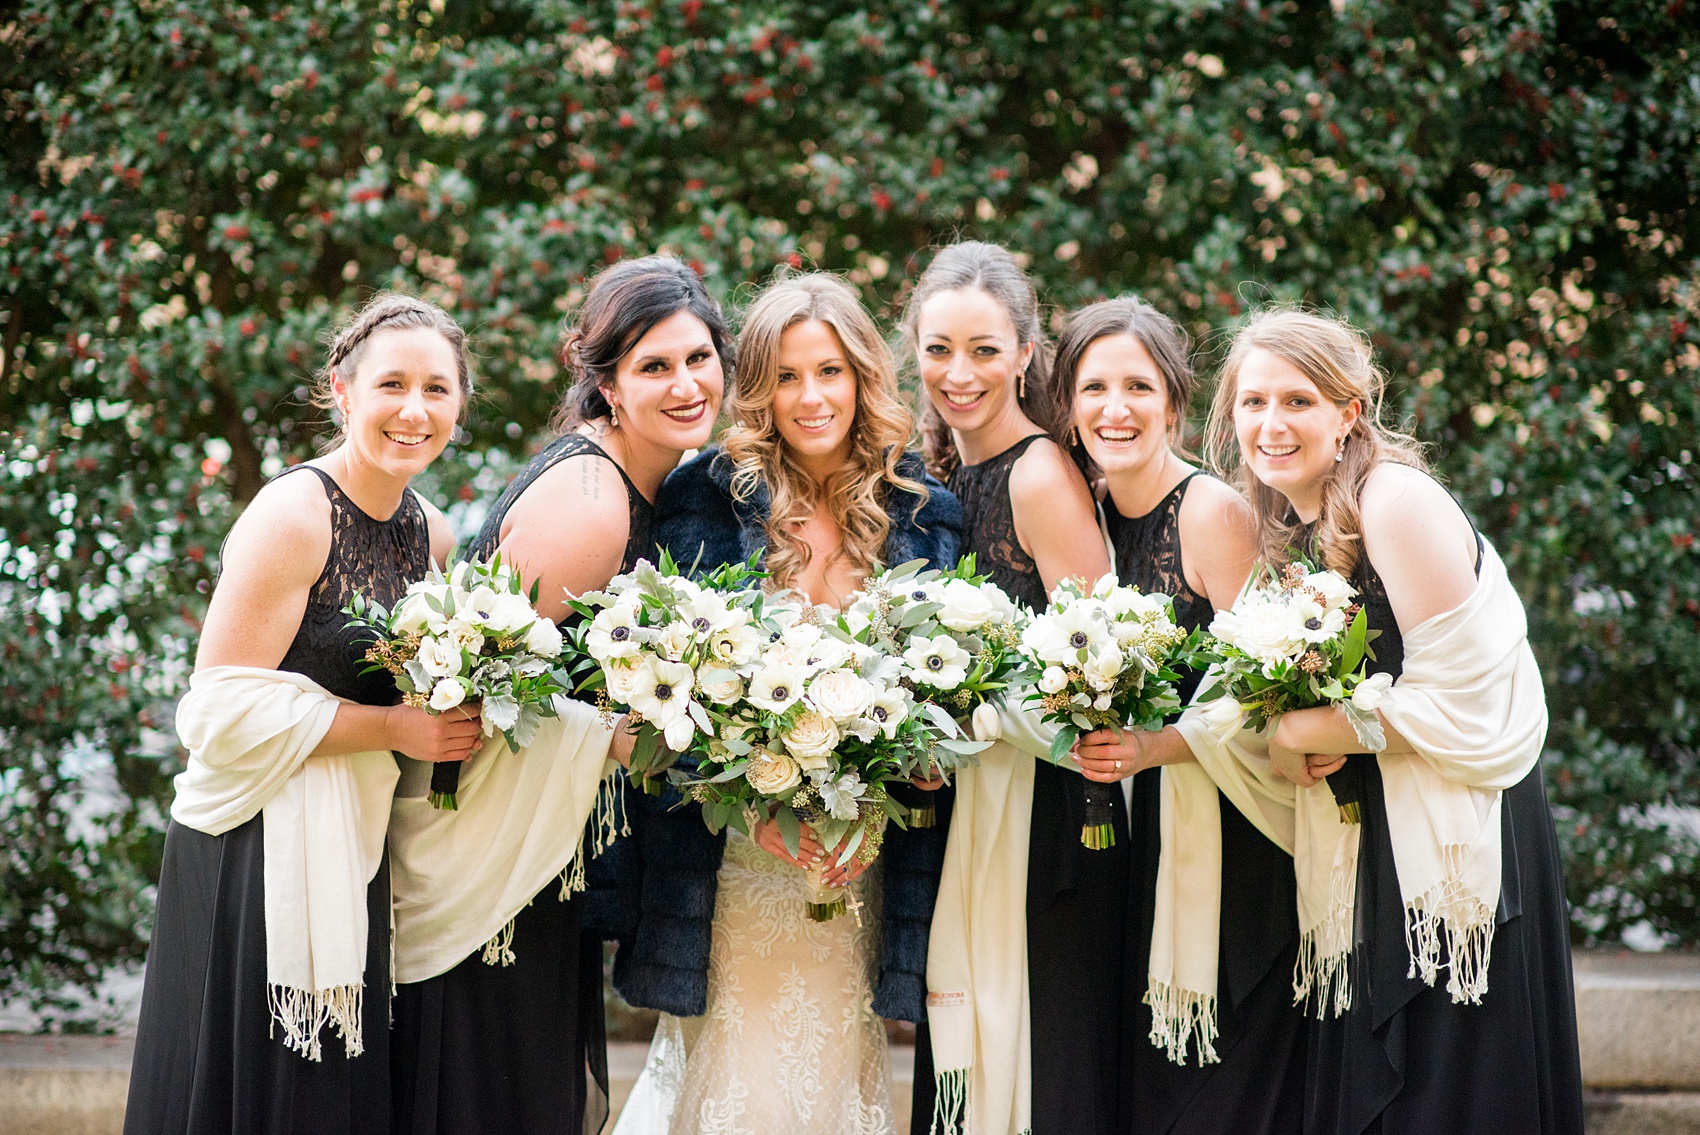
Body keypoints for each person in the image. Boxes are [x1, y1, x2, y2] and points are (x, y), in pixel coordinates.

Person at [1088, 307, 1583, 1135]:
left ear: (1349, 411)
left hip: (1456, 846)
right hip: (1373, 839)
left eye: (1298, 401)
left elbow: (1460, 702)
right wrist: (1291, 733)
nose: (1271, 424)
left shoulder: (1394, 499)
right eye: (1253, 403)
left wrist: (1303, 733)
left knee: (1444, 1088)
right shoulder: (1297, 521)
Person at [388, 255, 730, 1135]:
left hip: (544, 850)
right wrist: (622, 736)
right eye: (654, 366)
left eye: (699, 358)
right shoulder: (591, 501)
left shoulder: (656, 484)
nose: (686, 384)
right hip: (483, 852)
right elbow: (484, 690)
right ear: (607, 383)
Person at [615, 271, 961, 1131]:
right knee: (745, 1078)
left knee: (836, 1073)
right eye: (788, 376)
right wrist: (752, 807)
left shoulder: (921, 509)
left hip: (861, 861)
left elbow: (940, 696)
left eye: (831, 371)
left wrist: (874, 810)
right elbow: (674, 691)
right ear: (759, 388)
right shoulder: (703, 497)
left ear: (863, 377)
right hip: (735, 861)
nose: (812, 397)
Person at [125, 294, 478, 1135]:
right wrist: (394, 729)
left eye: (438, 388)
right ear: (343, 390)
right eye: (392, 383)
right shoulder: (293, 516)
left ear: (460, 405)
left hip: (351, 847)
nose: (414, 409)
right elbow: (213, 711)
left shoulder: (431, 532)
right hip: (254, 852)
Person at [1058, 297, 1308, 1134]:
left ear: (1174, 401)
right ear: (1068, 404)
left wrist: (1150, 746)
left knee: (1211, 1097)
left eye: (1139, 386)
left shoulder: (1210, 512)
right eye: (1094, 387)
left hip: (1233, 848)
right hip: (1139, 849)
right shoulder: (1081, 514)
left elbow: (1269, 687)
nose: (1115, 409)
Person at [904, 241, 1117, 1135]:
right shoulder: (940, 468)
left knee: (1036, 1066)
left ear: (1027, 354)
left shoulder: (1036, 475)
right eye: (940, 348)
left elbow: (1100, 676)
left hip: (1047, 827)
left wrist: (967, 714)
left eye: (986, 350)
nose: (961, 373)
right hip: (972, 806)